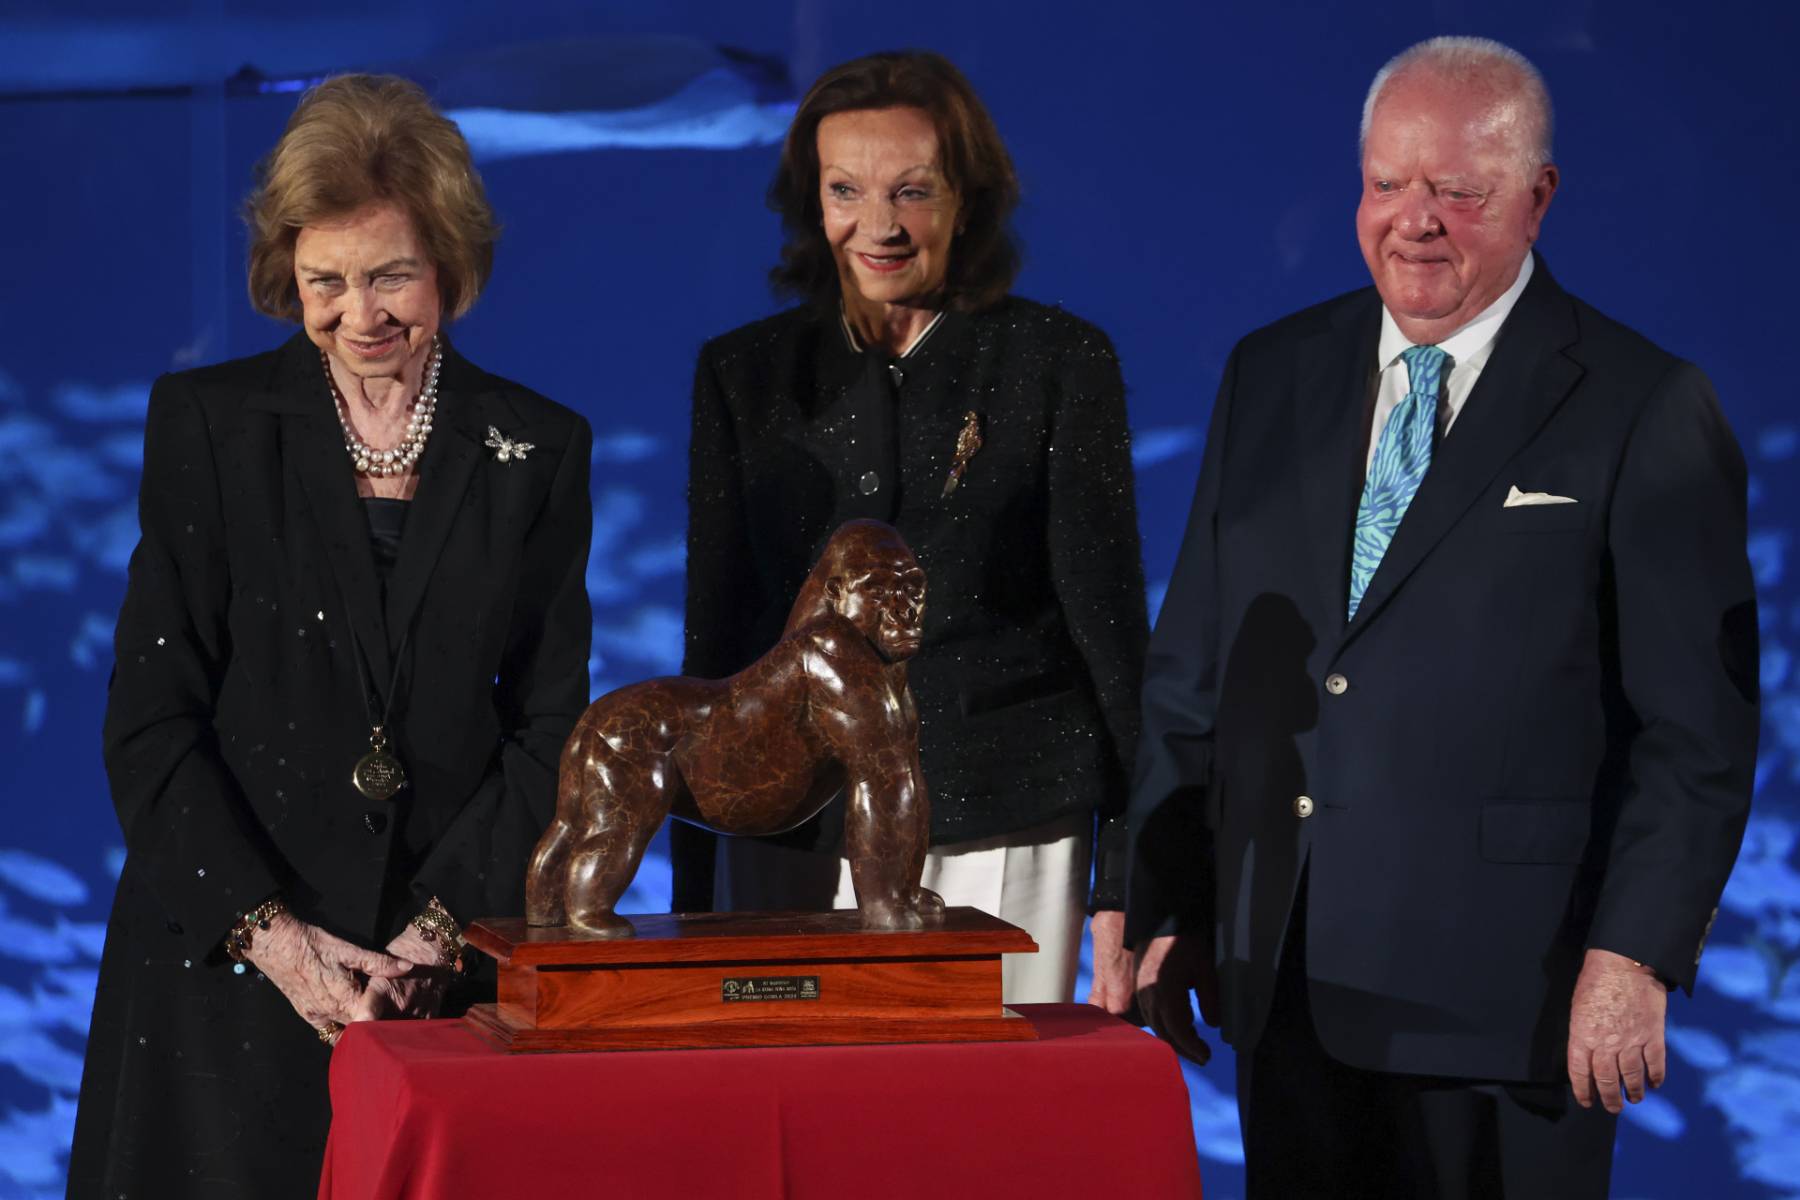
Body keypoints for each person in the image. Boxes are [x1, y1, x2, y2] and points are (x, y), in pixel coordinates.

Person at [1126, 36, 1757, 1197]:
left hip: (1514, 1007)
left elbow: (1697, 736)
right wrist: (1162, 898)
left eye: (1457, 191)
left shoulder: (1644, 405)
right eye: (1386, 183)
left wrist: (1636, 958)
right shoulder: (1270, 372)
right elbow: (1196, 666)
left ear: (1536, 198)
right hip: (1292, 985)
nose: (1414, 220)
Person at [68, 74, 593, 1197]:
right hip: (222, 973)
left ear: (448, 261)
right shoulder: (207, 427)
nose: (363, 315)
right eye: (327, 281)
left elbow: (552, 727)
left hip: (435, 984)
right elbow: (152, 721)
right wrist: (278, 942)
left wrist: (434, 937)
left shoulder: (538, 450)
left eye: (392, 274)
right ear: (287, 275)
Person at [675, 49, 1148, 1006]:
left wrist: (1132, 883)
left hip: (1003, 828)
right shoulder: (744, 377)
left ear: (967, 199)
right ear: (811, 200)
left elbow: (1114, 644)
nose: (879, 226)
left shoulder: (1056, 363)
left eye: (913, 191)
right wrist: (693, 891)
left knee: (979, 1141)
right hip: (787, 839)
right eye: (845, 189)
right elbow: (714, 645)